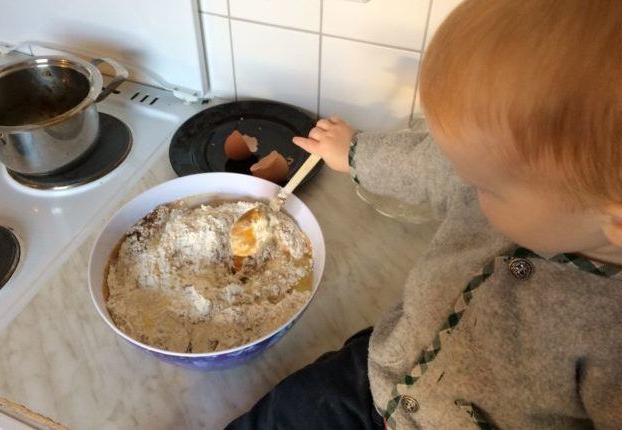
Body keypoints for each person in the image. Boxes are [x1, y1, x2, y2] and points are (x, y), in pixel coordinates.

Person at [226, 0, 622, 428]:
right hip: (381, 371)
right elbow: (433, 163)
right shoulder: (509, 174)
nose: (464, 182)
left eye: (484, 186)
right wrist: (357, 152)